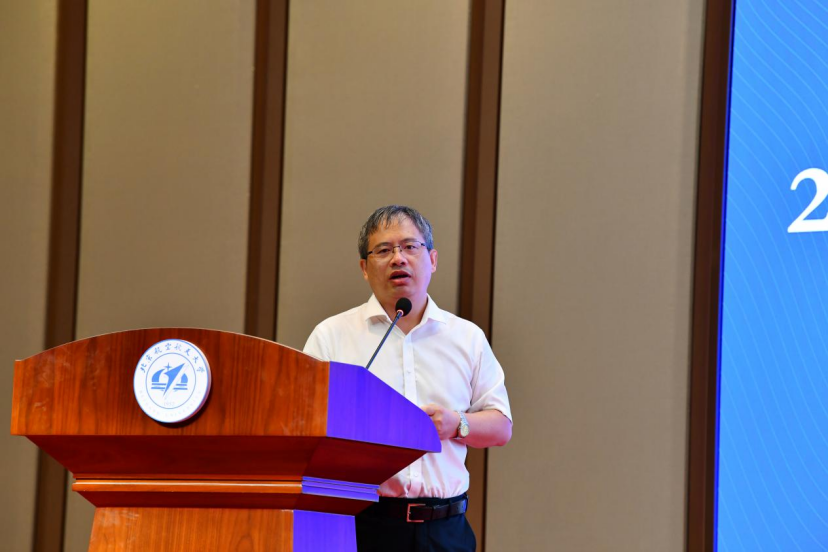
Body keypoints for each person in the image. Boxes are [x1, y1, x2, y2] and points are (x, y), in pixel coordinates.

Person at [304, 205, 512, 553]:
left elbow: (501, 427)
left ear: (432, 259)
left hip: (445, 529)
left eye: (410, 247)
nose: (398, 258)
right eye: (384, 250)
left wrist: (456, 423)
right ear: (364, 268)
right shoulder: (332, 336)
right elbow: (304, 425)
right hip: (363, 526)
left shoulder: (466, 338)